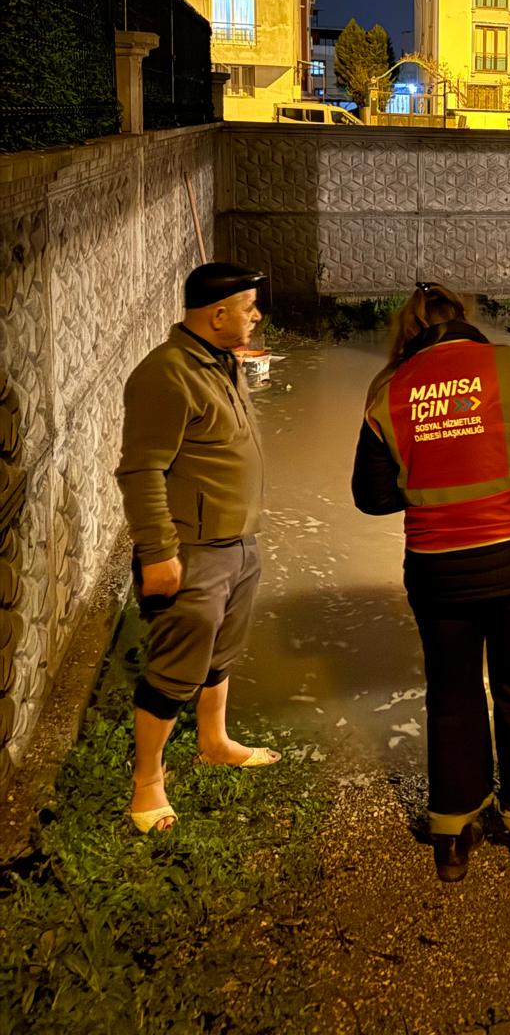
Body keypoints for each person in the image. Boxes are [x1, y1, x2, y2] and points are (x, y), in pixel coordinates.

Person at [352, 283, 510, 890]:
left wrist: (430, 465)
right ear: (465, 320)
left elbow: (370, 498)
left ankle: (453, 838)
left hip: (437, 570)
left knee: (452, 697)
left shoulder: (389, 391)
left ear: (408, 331)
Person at [115, 261, 280, 835]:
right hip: (193, 549)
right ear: (217, 314)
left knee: (219, 656)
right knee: (172, 670)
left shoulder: (219, 363)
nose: (257, 315)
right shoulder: (166, 374)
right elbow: (141, 470)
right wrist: (159, 553)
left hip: (238, 543)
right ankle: (147, 785)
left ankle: (213, 741)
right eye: (248, 306)